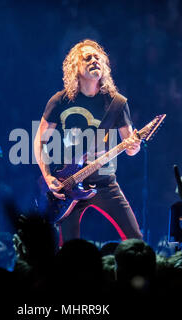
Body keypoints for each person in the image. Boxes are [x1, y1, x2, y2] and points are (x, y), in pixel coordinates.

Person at [34, 39, 143, 243]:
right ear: (75, 67)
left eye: (97, 57)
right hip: (69, 185)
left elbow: (130, 149)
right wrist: (48, 177)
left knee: (135, 240)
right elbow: (39, 141)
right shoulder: (60, 100)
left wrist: (135, 146)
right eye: (87, 58)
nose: (94, 60)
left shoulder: (116, 102)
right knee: (68, 250)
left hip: (105, 182)